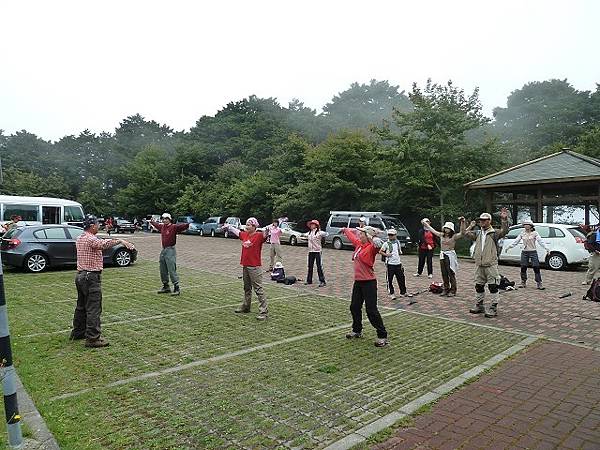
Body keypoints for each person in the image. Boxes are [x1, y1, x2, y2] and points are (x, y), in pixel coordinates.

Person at [70, 214, 135, 348]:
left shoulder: (80, 237)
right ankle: (93, 338)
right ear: (93, 226)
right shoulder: (90, 239)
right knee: (93, 308)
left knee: (81, 307)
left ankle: (78, 332)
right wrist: (120, 241)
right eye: (97, 224)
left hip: (80, 276)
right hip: (91, 277)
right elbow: (102, 244)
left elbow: (100, 241)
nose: (99, 226)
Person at [342, 226, 389, 347]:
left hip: (369, 283)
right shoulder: (359, 244)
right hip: (358, 282)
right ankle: (357, 330)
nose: (359, 235)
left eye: (362, 234)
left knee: (371, 311)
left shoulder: (371, 247)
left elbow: (378, 245)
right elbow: (352, 237)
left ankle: (382, 335)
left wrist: (375, 238)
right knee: (354, 306)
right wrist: (345, 230)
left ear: (367, 236)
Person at [463, 208, 510, 318]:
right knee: (478, 285)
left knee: (493, 286)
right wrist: (465, 224)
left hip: (491, 265)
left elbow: (505, 231)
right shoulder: (478, 233)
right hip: (479, 265)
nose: (482, 222)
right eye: (481, 220)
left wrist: (504, 219)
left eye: (484, 220)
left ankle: (493, 307)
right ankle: (479, 305)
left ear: (489, 221)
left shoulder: (494, 233)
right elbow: (465, 233)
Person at [221, 218, 269, 320]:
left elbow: (265, 235)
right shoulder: (245, 234)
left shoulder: (259, 236)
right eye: (246, 225)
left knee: (258, 289)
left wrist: (268, 230)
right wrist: (228, 227)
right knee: (247, 288)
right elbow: (237, 232)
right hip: (245, 265)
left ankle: (263, 311)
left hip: (255, 267)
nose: (247, 227)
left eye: (249, 225)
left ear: (254, 227)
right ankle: (246, 306)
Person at [423, 218, 468, 296]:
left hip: (450, 255)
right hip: (442, 255)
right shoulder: (441, 235)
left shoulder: (454, 236)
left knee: (451, 273)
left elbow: (462, 233)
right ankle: (446, 288)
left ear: (451, 230)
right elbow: (432, 230)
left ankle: (453, 290)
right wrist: (425, 224)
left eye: (448, 228)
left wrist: (462, 222)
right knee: (444, 273)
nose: (447, 230)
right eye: (446, 228)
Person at [150, 213, 189, 296]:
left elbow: (182, 227)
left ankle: (176, 287)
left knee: (171, 269)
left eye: (166, 218)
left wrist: (188, 224)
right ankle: (166, 286)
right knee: (162, 269)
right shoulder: (162, 227)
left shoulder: (173, 227)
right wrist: (152, 222)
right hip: (164, 250)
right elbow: (157, 225)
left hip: (170, 250)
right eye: (163, 219)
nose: (164, 220)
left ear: (169, 219)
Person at [505, 220, 550, 290]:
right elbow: (516, 241)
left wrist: (547, 248)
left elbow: (541, 241)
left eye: (527, 224)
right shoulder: (522, 233)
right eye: (524, 225)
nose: (525, 226)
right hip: (524, 252)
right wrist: (509, 247)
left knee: (536, 267)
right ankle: (523, 282)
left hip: (533, 252)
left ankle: (539, 283)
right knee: (523, 267)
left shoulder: (535, 233)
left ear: (530, 226)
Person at [379, 228, 408, 299]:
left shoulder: (397, 242)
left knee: (401, 278)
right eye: (389, 235)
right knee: (390, 279)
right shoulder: (386, 243)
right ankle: (391, 293)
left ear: (395, 235)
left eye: (392, 235)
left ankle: (403, 292)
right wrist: (386, 255)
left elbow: (399, 250)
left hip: (398, 263)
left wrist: (400, 252)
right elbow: (380, 251)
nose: (390, 236)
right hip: (390, 264)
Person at [305, 219, 327, 287]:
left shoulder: (319, 232)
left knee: (319, 266)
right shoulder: (309, 232)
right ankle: (309, 280)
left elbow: (326, 234)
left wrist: (320, 233)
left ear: (316, 225)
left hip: (317, 251)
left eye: (313, 224)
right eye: (311, 224)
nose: (311, 225)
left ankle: (322, 281)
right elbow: (303, 235)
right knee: (310, 266)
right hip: (311, 251)